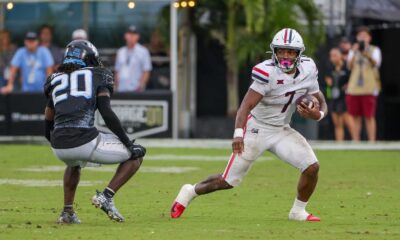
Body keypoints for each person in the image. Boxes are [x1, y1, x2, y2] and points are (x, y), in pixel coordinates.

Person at [171, 28, 327, 222]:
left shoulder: (308, 68)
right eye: (281, 51)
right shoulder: (266, 71)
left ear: (299, 53)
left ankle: (297, 211)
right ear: (274, 52)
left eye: (290, 52)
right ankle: (189, 191)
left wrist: (317, 114)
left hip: (281, 130)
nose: (285, 56)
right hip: (257, 129)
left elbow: (319, 97)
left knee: (311, 167)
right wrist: (238, 134)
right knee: (228, 181)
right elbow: (246, 105)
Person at [44, 40, 146, 223]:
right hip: (84, 140)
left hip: (58, 146)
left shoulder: (54, 79)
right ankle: (106, 196)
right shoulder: (98, 75)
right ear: (89, 58)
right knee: (136, 155)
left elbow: (48, 118)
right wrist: (129, 144)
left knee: (73, 163)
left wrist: (54, 140)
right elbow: (106, 113)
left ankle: (67, 212)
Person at [347, 26, 381, 142]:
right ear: (357, 38)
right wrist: (354, 51)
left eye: (364, 36)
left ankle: (372, 141)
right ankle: (356, 141)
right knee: (355, 116)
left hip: (369, 87)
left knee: (369, 116)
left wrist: (365, 53)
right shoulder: (353, 50)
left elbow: (376, 64)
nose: (362, 38)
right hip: (354, 87)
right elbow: (349, 67)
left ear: (369, 38)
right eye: (360, 36)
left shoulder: (374, 50)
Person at [325, 48, 355, 141]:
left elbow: (352, 79)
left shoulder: (347, 68)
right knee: (337, 124)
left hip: (344, 98)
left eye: (335, 55)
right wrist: (328, 84)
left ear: (341, 56)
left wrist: (348, 85)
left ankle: (357, 141)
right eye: (331, 56)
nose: (332, 58)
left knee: (349, 122)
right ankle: (339, 144)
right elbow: (328, 83)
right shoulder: (330, 68)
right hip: (334, 98)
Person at [114, 25, 152, 92]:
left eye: (134, 34)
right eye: (130, 34)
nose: (131, 37)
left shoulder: (143, 51)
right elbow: (117, 70)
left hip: (136, 89)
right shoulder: (121, 51)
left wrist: (141, 85)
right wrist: (117, 86)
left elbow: (146, 70)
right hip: (122, 88)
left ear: (138, 36)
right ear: (125, 35)